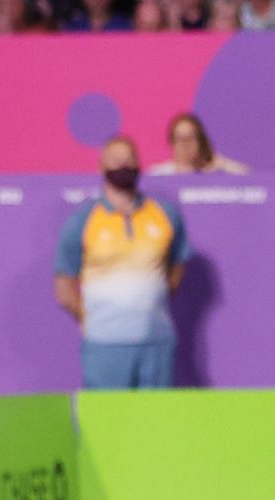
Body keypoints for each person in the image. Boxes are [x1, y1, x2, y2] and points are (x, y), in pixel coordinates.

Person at [54, 135, 191, 390]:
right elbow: (64, 288)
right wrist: (91, 319)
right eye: (116, 160)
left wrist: (152, 302)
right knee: (107, 425)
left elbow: (177, 265)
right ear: (101, 168)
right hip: (104, 345)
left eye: (130, 159)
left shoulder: (165, 214)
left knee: (156, 423)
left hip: (156, 343)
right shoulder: (82, 220)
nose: (124, 165)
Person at [150, 112, 247, 174]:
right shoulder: (159, 174)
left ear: (200, 141)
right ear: (171, 143)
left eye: (190, 138)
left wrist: (220, 163)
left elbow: (249, 181)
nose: (185, 144)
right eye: (180, 138)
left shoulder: (211, 173)